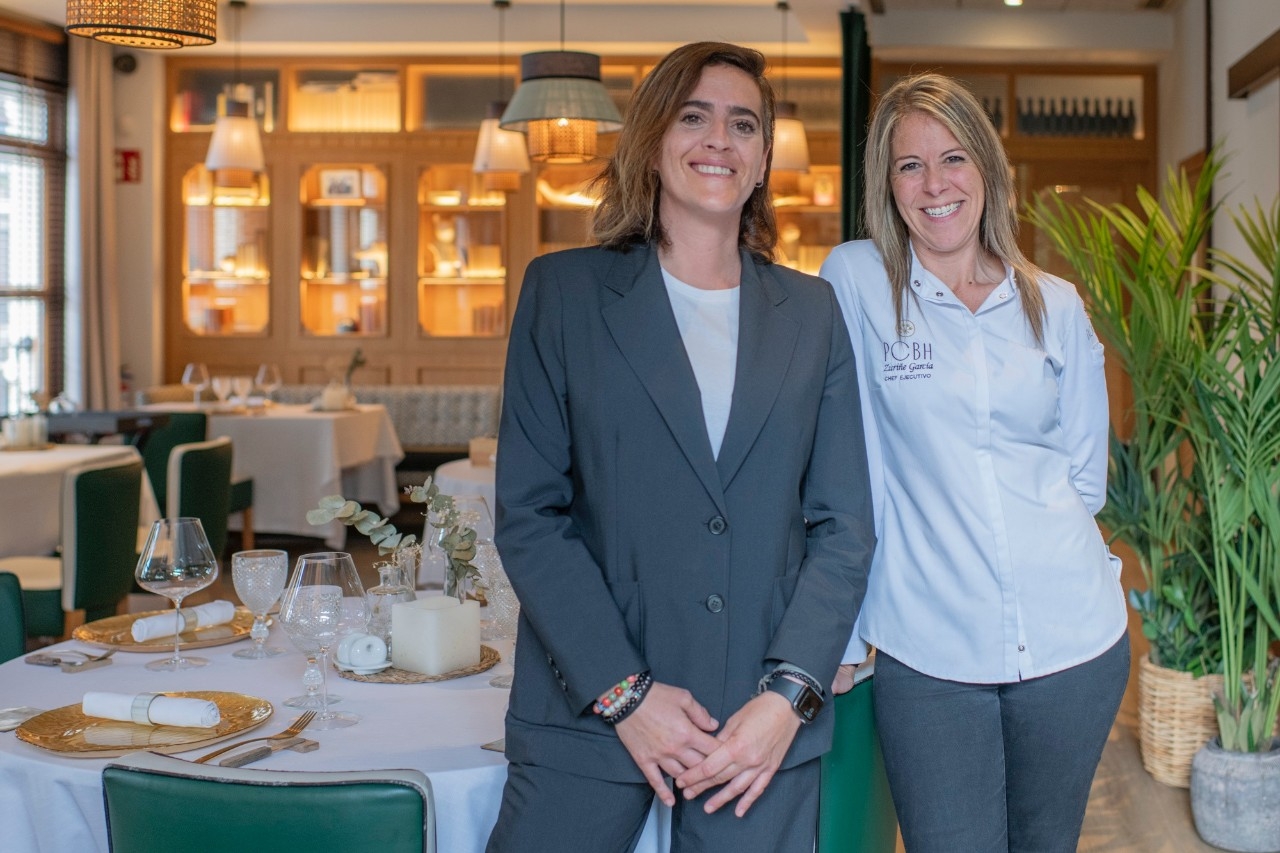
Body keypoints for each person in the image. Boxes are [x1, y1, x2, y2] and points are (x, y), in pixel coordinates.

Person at [487, 41, 875, 852]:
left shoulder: (813, 313)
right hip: (588, 710)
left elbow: (844, 527)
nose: (719, 140)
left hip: (756, 728)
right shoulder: (562, 294)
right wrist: (624, 693)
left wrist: (791, 696)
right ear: (653, 141)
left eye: (744, 124)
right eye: (693, 116)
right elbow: (529, 514)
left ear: (763, 160)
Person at [821, 72, 1130, 852]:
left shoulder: (1053, 304)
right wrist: (846, 636)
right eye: (910, 165)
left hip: (1072, 642)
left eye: (953, 158)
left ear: (987, 169)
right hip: (927, 649)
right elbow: (848, 466)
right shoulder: (858, 282)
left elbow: (1084, 478)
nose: (935, 184)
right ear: (888, 185)